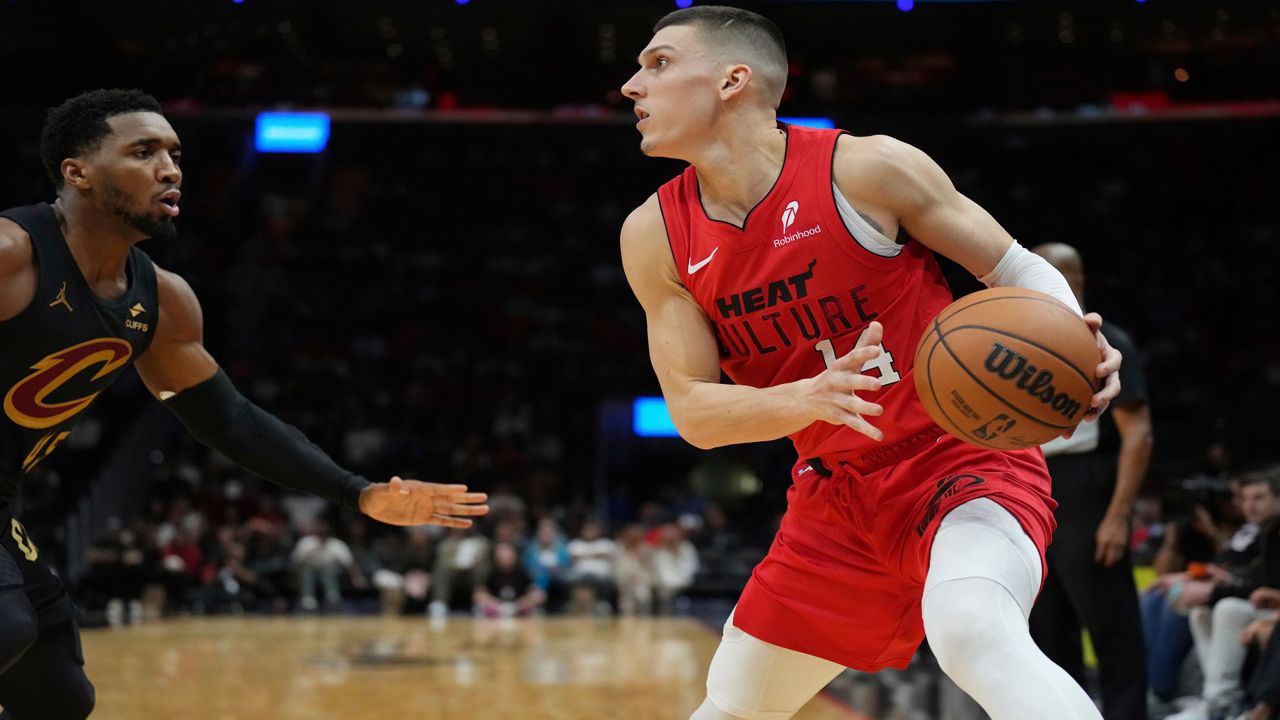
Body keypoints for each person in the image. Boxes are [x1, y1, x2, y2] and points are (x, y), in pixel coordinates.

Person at [617, 7, 1122, 719]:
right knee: (733, 703)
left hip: (962, 458)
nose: (632, 84)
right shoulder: (655, 235)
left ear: (733, 80)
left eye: (659, 63)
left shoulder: (865, 168)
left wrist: (1080, 348)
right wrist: (806, 398)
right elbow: (694, 412)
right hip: (836, 495)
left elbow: (1016, 268)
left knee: (972, 631)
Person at [0, 88, 490, 719]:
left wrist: (358, 492)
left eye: (175, 154)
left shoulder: (163, 301)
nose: (170, 169)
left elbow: (228, 421)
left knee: (58, 697)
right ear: (78, 172)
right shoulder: (12, 254)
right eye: (144, 152)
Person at [1027, 243, 1153, 720]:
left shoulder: (1107, 341)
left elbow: (1138, 434)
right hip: (1034, 487)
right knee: (1047, 632)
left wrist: (1118, 517)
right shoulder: (1017, 336)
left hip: (1088, 488)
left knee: (1112, 629)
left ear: (1075, 282)